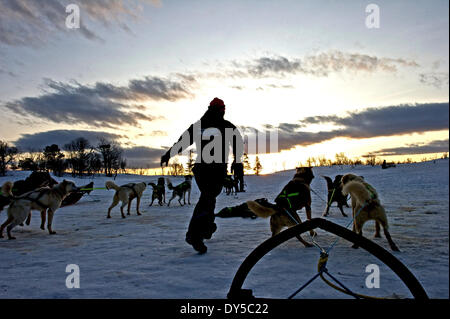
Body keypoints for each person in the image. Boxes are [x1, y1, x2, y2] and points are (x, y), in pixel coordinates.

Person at [161, 97, 243, 254]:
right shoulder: (226, 126)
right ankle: (195, 234)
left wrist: (169, 154)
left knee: (208, 198)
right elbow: (238, 144)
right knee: (208, 198)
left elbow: (182, 142)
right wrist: (237, 163)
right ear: (222, 110)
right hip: (215, 169)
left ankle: (207, 228)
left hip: (201, 169)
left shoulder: (199, 126)